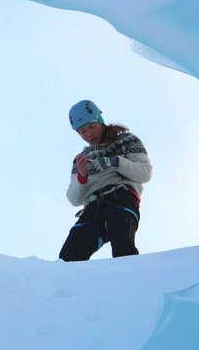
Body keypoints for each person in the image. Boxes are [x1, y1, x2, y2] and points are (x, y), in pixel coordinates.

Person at [60, 100, 152, 261]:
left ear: (100, 121)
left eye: (91, 127)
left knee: (122, 243)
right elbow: (74, 199)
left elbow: (144, 173)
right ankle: (67, 285)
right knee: (69, 255)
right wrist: (82, 177)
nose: (88, 134)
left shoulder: (126, 141)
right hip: (93, 207)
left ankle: (130, 280)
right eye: (82, 131)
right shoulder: (81, 160)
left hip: (121, 198)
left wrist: (115, 162)